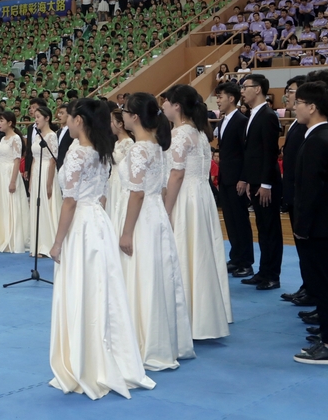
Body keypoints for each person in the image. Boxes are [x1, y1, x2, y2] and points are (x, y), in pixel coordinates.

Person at [48, 98, 156, 399]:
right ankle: (103, 356)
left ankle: (86, 361)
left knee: (82, 289)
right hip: (99, 222)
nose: (65, 123)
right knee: (102, 289)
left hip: (82, 226)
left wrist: (57, 242)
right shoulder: (101, 151)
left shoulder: (79, 154)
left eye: (68, 118)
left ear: (79, 120)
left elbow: (69, 201)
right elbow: (102, 196)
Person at [118, 92, 194, 370]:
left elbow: (136, 194)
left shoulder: (140, 148)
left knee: (143, 275)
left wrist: (126, 232)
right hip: (155, 214)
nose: (122, 115)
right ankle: (157, 338)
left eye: (125, 111)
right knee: (154, 275)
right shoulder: (157, 145)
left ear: (134, 116)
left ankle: (145, 339)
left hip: (141, 216)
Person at [161, 85, 233, 341]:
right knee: (201, 252)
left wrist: (166, 208)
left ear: (177, 105)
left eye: (166, 102)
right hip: (201, 196)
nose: (163, 106)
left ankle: (187, 314)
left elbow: (177, 174)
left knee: (185, 250)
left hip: (186, 199)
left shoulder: (181, 134)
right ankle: (203, 312)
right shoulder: (200, 133)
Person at [291, 80, 328, 365]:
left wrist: (301, 227)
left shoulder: (318, 139)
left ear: (312, 107)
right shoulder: (327, 135)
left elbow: (311, 190)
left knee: (325, 286)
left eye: (298, 103)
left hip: (320, 226)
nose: (294, 107)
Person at [238, 74, 283, 291]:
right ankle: (263, 271)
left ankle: (272, 275)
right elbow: (251, 153)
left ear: (257, 89)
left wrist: (266, 183)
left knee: (270, 228)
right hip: (255, 181)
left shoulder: (267, 115)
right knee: (262, 228)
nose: (242, 91)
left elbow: (269, 152)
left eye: (245, 87)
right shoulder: (253, 115)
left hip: (266, 183)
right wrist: (248, 180)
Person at [213, 81, 253, 278]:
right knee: (230, 220)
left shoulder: (241, 120)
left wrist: (244, 178)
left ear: (231, 98)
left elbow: (245, 153)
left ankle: (246, 261)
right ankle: (236, 257)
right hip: (225, 177)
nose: (218, 101)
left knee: (240, 220)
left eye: (220, 97)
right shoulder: (223, 121)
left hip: (237, 178)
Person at [279, 77, 312, 306]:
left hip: (301, 195)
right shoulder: (295, 124)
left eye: (291, 92)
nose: (287, 96)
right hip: (291, 193)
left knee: (308, 247)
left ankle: (312, 288)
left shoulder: (307, 127)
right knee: (301, 247)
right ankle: (306, 284)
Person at [0, 111, 27, 253]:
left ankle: (13, 237)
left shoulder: (15, 138)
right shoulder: (2, 139)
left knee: (12, 204)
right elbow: (0, 160)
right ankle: (2, 235)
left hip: (11, 172)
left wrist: (13, 181)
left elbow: (17, 160)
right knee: (2, 204)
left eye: (1, 121)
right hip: (1, 171)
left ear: (10, 123)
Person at [27, 106, 60, 257]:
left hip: (47, 171)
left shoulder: (52, 136)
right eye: (35, 117)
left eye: (38, 116)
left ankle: (48, 244)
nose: (36, 119)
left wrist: (49, 183)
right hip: (36, 171)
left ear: (47, 118)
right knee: (36, 207)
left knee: (48, 206)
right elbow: (34, 158)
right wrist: (31, 180)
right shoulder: (37, 136)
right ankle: (37, 243)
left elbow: (53, 160)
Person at [106, 107, 134, 238]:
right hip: (113, 180)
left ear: (120, 124)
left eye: (112, 121)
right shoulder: (117, 142)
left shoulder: (128, 143)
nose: (110, 124)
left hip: (122, 182)